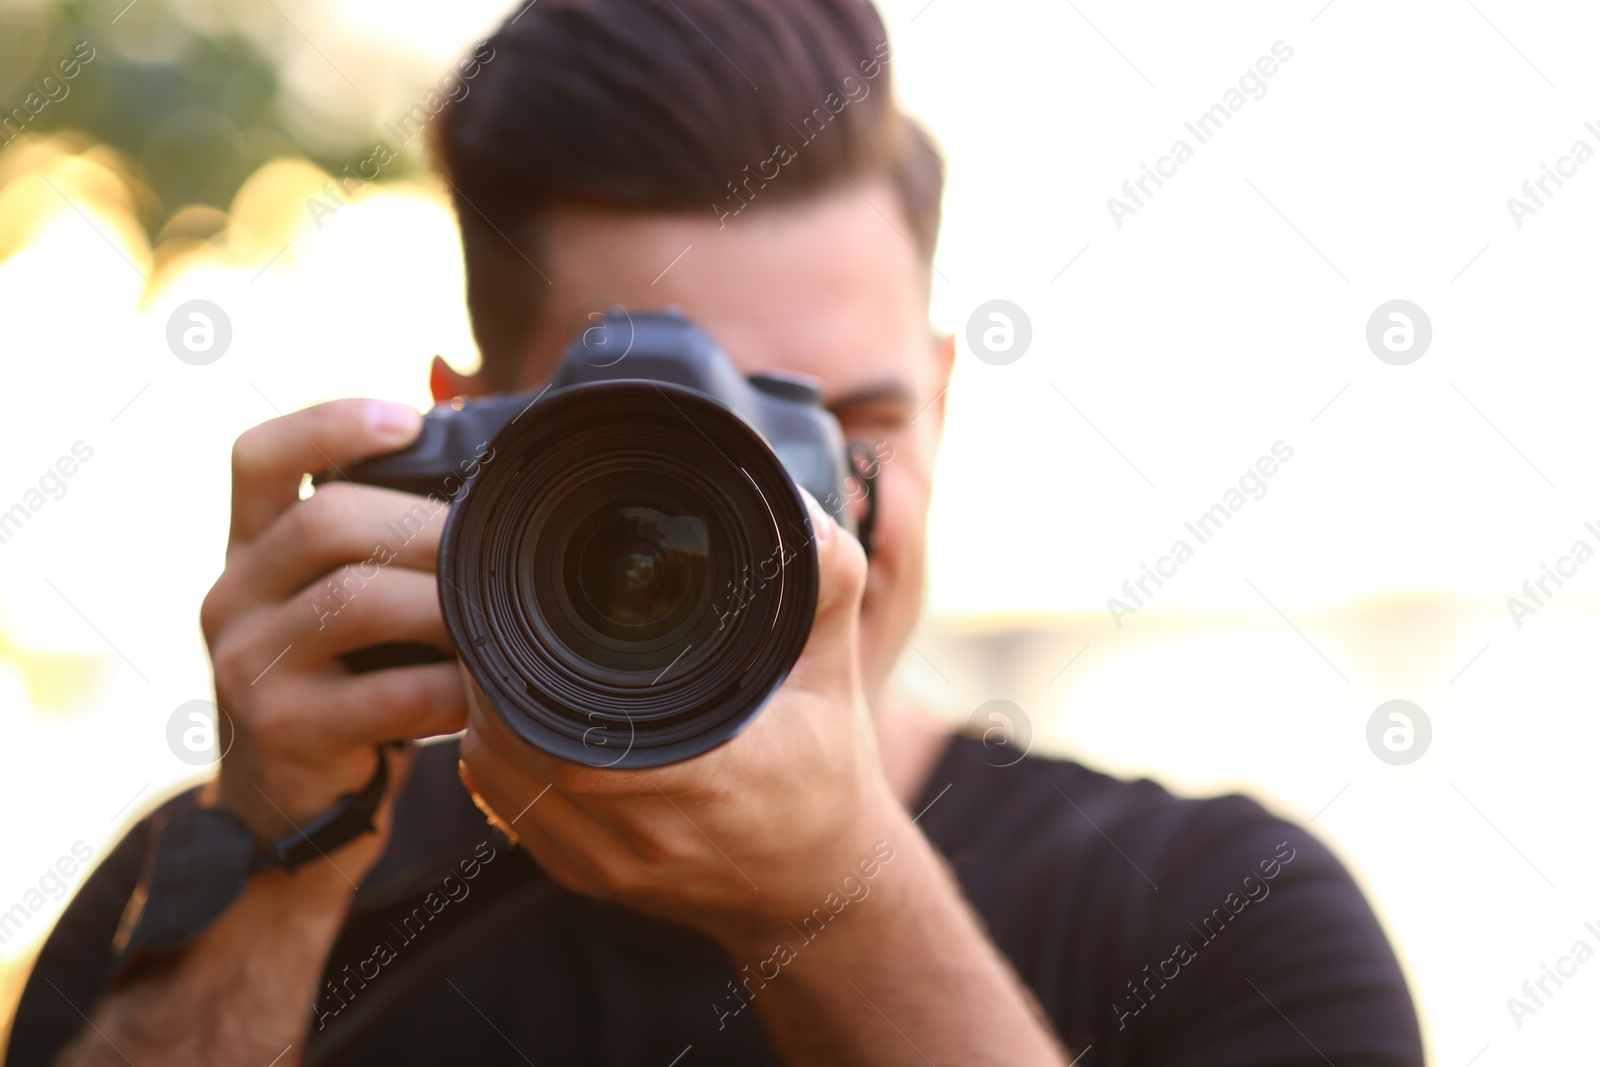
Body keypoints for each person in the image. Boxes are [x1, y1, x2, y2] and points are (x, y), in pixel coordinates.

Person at [8, 0, 1425, 1063]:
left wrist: (843, 899)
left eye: (838, 426)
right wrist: (275, 868)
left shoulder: (1227, 922)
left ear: (939, 399)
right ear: (471, 439)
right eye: (667, 445)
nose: (787, 531)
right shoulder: (220, 879)